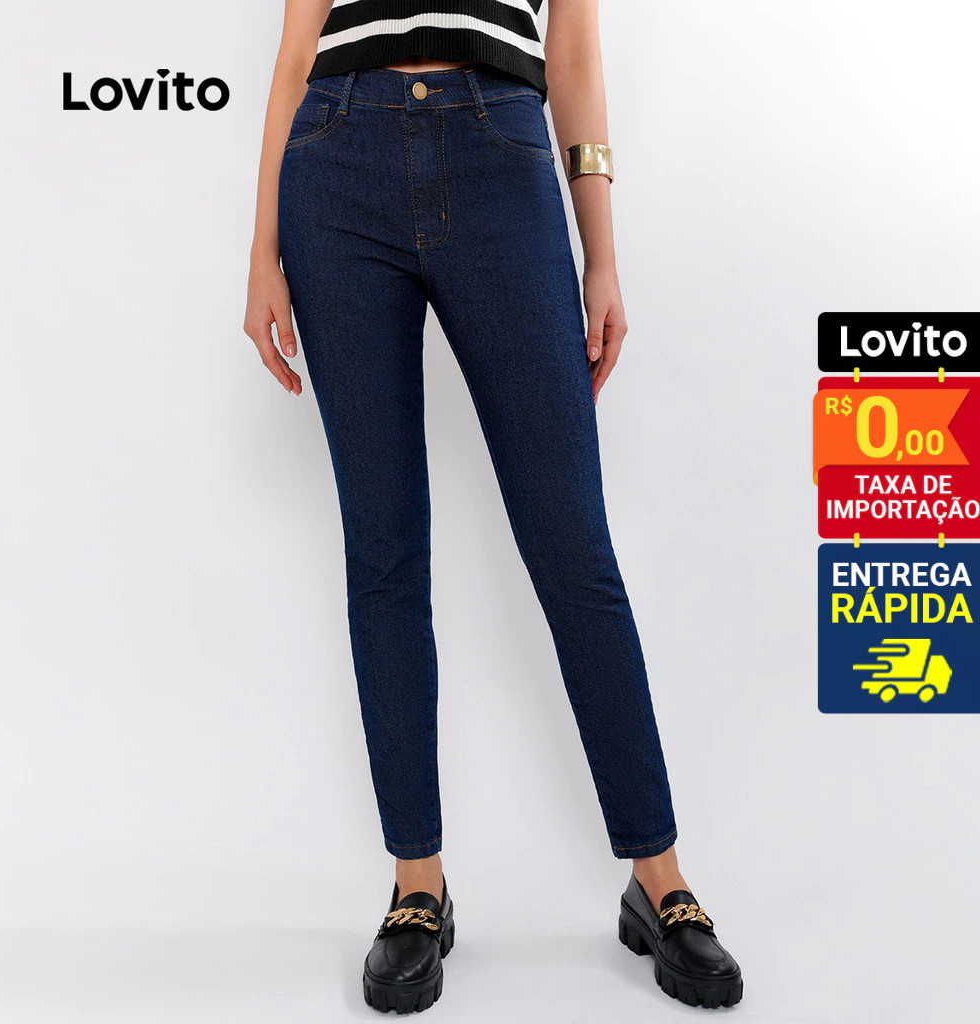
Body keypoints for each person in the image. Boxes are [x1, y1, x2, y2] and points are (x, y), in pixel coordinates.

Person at [244, 0, 742, 1012]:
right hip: (336, 158)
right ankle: (416, 887)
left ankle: (659, 877)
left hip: (502, 155)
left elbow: (575, 52)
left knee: (572, 545)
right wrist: (263, 252)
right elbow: (297, 51)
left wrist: (601, 254)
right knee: (384, 550)